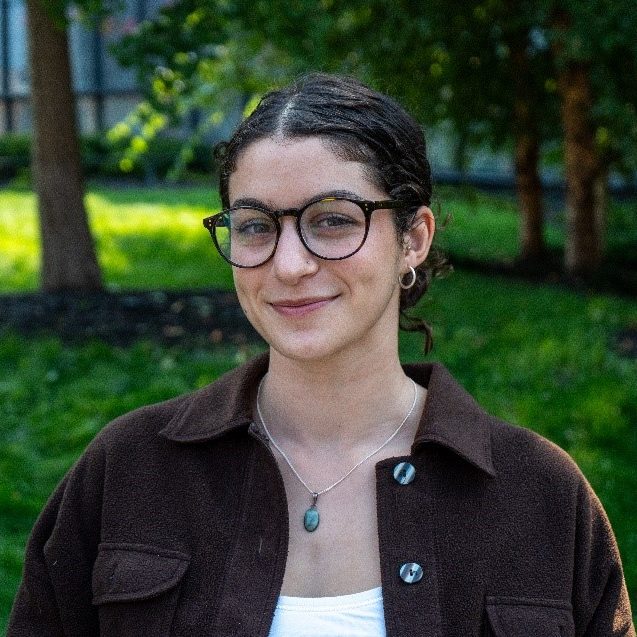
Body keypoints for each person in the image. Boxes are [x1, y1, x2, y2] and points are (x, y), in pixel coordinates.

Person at [8, 73, 634, 637]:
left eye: (333, 220)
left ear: (413, 238)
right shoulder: (129, 471)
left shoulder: (540, 496)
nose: (289, 264)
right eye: (254, 225)